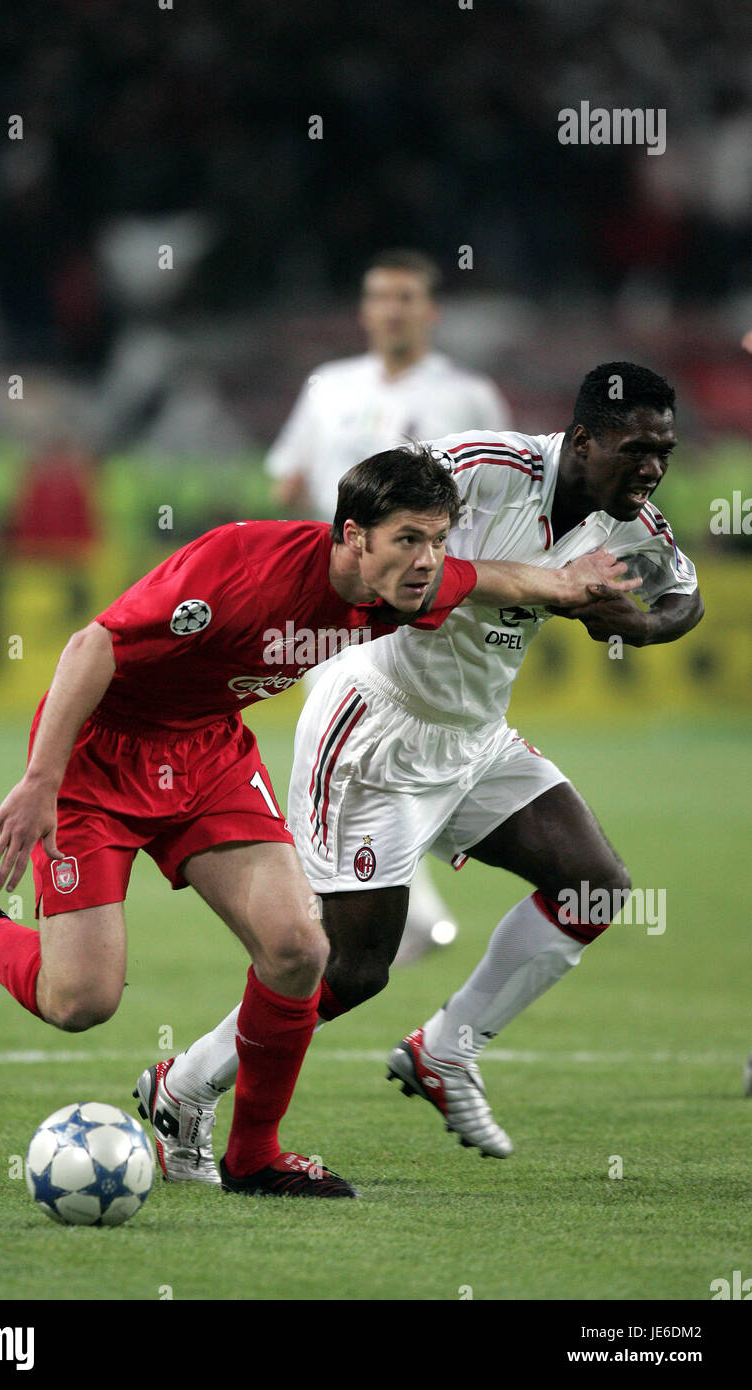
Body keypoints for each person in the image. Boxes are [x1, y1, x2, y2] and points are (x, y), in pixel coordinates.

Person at [0, 445, 636, 1198]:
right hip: (98, 763)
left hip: (208, 753)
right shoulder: (240, 570)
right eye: (410, 540)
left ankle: (252, 1155)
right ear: (353, 536)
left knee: (297, 950)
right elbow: (92, 646)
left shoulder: (406, 580)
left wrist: (566, 586)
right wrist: (40, 781)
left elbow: (486, 578)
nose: (429, 561)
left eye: (438, 540)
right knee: (80, 1002)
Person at [156, 361, 703, 1172]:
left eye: (664, 449)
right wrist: (532, 588)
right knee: (352, 967)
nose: (652, 468)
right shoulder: (486, 466)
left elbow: (684, 594)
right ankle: (183, 1087)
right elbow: (375, 504)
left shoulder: (632, 522)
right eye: (635, 449)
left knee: (593, 885)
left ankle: (445, 1049)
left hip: (476, 736)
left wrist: (642, 624)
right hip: (376, 725)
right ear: (583, 440)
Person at [267, 247, 512, 963]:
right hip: (334, 595)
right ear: (364, 309)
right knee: (342, 753)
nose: (392, 309)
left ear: (429, 311)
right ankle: (384, 909)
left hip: (418, 597)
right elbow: (286, 481)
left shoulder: (468, 395)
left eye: (406, 297)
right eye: (380, 296)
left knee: (393, 752)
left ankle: (378, 907)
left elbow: (501, 498)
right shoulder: (327, 388)